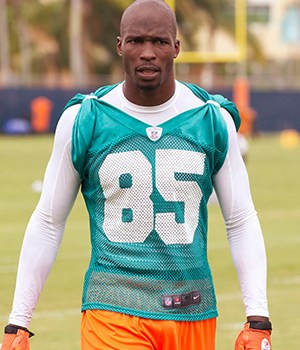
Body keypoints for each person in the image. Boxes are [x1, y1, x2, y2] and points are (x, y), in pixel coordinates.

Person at [1, 1, 272, 349]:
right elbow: (48, 221)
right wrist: (17, 323)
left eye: (159, 42)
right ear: (120, 46)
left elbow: (241, 219)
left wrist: (258, 316)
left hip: (191, 308)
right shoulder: (86, 119)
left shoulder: (211, 119)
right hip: (112, 307)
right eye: (136, 41)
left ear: (176, 47)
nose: (147, 53)